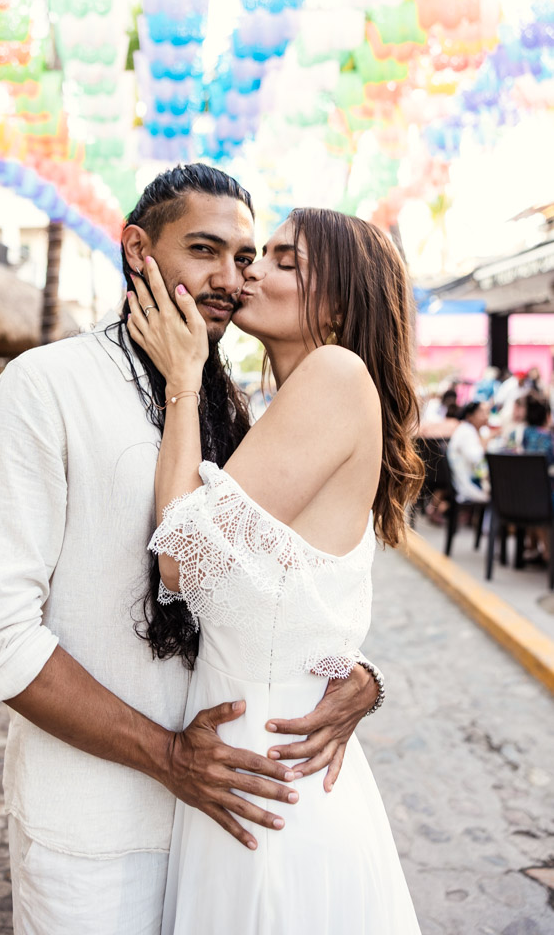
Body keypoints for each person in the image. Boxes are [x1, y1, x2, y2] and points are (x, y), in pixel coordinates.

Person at [0, 165, 381, 934]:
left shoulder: (239, 412)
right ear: (138, 249)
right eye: (204, 250)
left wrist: (361, 678)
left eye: (246, 258)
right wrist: (169, 756)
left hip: (226, 828)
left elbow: (281, 582)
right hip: (97, 840)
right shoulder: (47, 386)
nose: (229, 278)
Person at [127, 208, 424, 933]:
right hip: (256, 766)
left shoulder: (334, 372)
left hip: (265, 774)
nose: (251, 270)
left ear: (340, 303)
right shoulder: (287, 402)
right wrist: (364, 676)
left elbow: (179, 555)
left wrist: (182, 381)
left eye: (285, 262)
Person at [446, 401, 491, 504]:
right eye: (481, 412)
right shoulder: (466, 432)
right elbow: (476, 458)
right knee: (502, 494)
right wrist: (487, 440)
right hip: (467, 485)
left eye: (487, 412)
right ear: (470, 416)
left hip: (471, 480)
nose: (486, 416)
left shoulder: (479, 431)